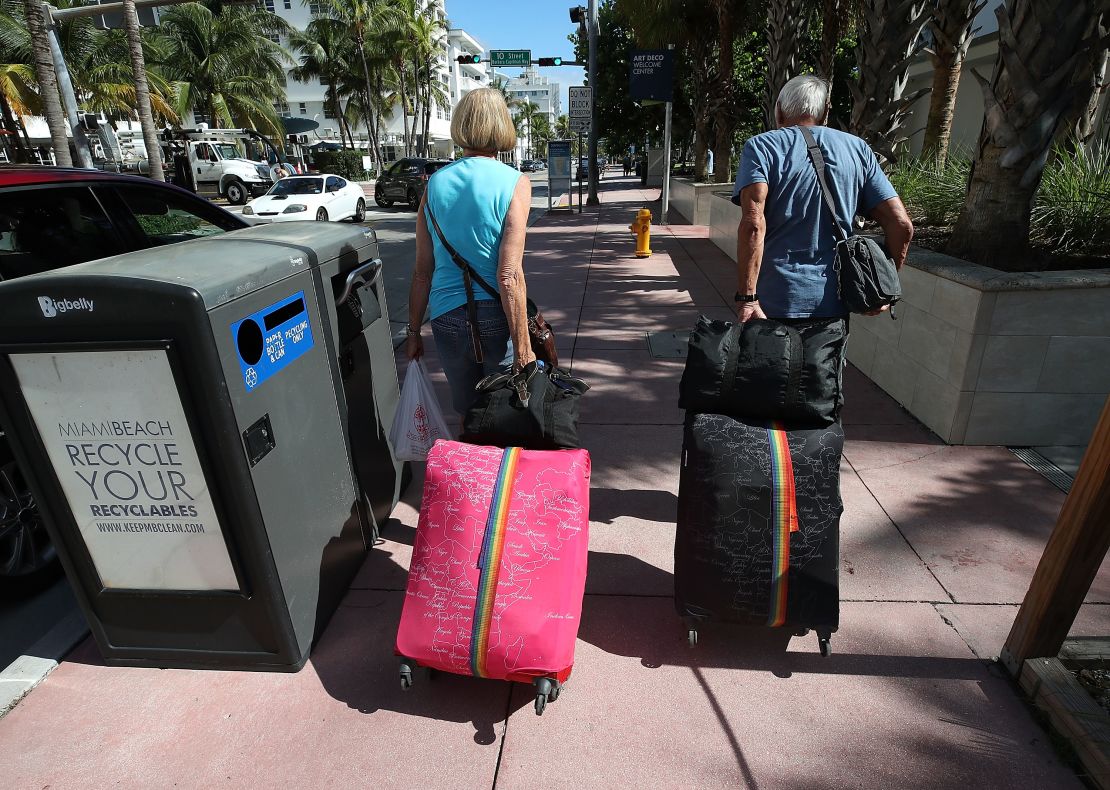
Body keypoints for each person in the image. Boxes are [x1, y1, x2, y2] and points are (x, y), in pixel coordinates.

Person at [732, 74, 914, 326]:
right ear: (825, 112)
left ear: (779, 110)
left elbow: (753, 223)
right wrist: (883, 283)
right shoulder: (858, 149)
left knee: (768, 365)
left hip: (772, 302)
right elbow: (901, 224)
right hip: (834, 303)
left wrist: (748, 297)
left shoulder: (762, 147)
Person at [405, 87, 535, 418]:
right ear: (501, 125)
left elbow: (423, 271)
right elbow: (508, 276)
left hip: (446, 316)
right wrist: (523, 348)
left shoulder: (433, 184)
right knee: (507, 413)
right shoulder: (515, 182)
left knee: (468, 412)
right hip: (496, 313)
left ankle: (469, 467)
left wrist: (413, 331)